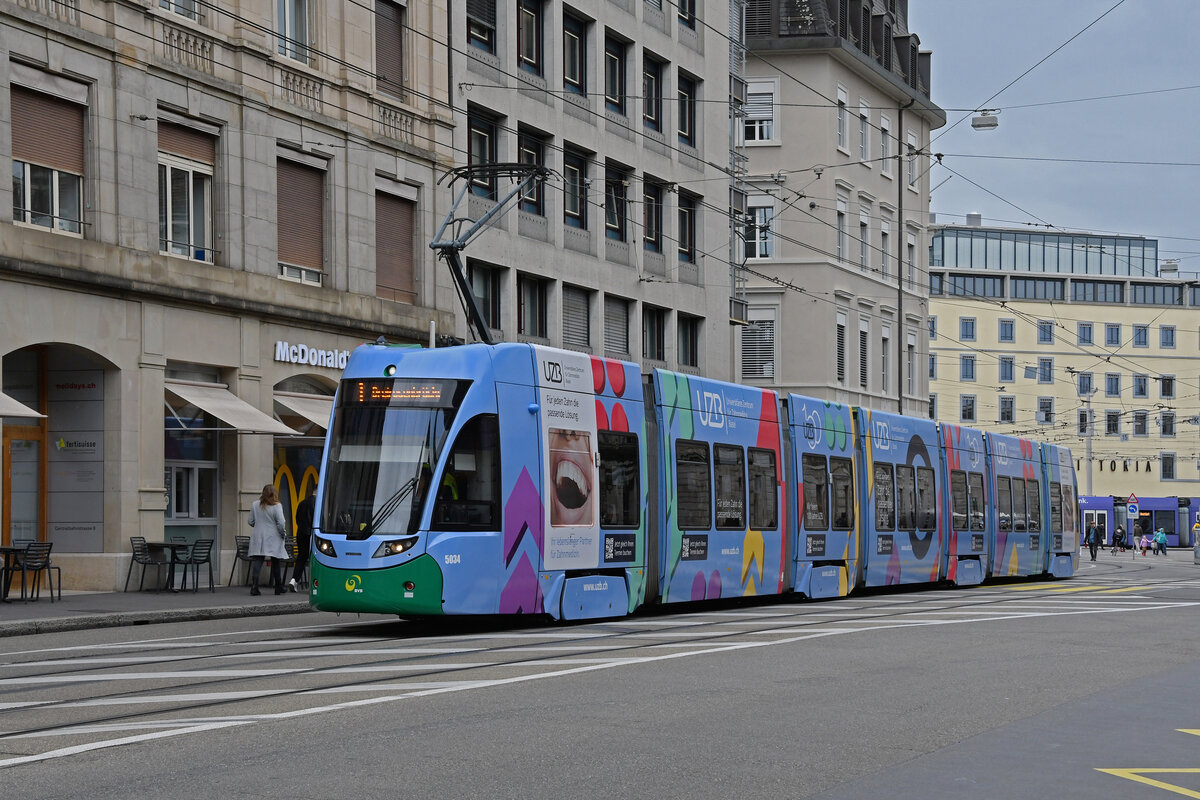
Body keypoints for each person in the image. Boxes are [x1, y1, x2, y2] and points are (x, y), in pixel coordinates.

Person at [248, 483, 289, 596]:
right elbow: (281, 523)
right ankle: (278, 587)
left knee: (258, 560)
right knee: (276, 561)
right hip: (273, 536)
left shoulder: (255, 504)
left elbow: (250, 521)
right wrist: (283, 533)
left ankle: (254, 587)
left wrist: (259, 525)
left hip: (258, 535)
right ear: (274, 493)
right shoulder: (277, 506)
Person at [289, 483, 316, 592]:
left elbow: (297, 519)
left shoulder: (302, 503)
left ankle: (294, 580)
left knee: (301, 557)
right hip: (312, 534)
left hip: (301, 533)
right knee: (314, 559)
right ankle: (312, 584)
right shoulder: (318, 504)